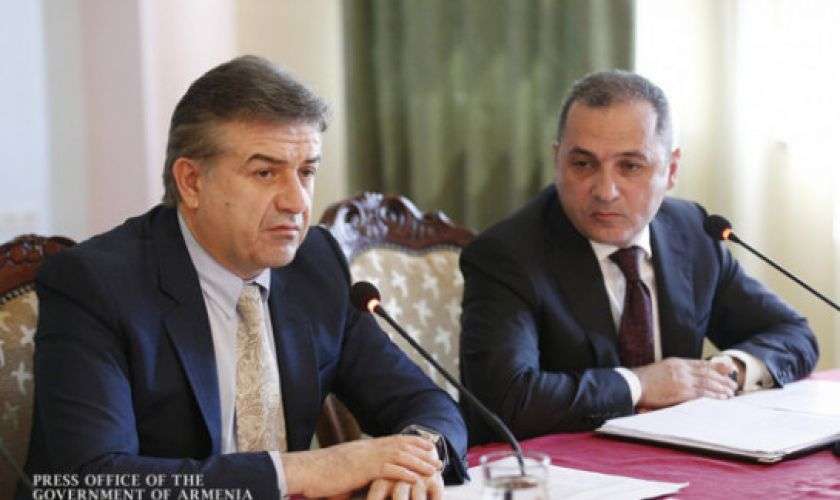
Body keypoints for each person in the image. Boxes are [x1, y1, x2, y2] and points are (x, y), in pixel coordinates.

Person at [20, 55, 466, 499]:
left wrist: (415, 459)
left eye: (307, 171)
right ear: (192, 182)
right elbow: (95, 480)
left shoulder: (315, 264)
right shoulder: (95, 284)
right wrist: (301, 471)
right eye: (265, 172)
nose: (297, 202)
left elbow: (426, 404)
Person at [459, 70, 818, 445]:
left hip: (683, 453)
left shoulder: (692, 232)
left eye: (630, 166)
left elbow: (792, 334)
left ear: (671, 170)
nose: (605, 191)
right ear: (557, 160)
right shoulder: (507, 254)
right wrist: (638, 384)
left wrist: (728, 371)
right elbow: (505, 400)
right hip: (566, 465)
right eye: (583, 164)